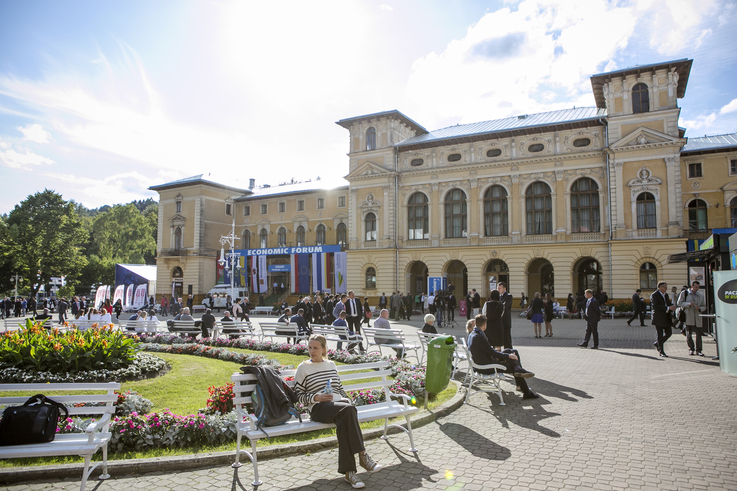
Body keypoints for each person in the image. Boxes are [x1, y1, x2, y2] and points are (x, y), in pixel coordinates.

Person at [294, 334, 382, 489]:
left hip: (338, 406)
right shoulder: (303, 368)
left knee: (344, 421)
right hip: (318, 408)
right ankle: (362, 454)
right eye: (310, 347)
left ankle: (349, 473)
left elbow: (339, 388)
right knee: (348, 411)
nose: (312, 351)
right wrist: (317, 397)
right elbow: (298, 396)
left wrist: (345, 398)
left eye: (315, 348)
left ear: (323, 349)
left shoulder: (331, 365)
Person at [467, 315, 538, 400]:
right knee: (512, 362)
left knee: (511, 351)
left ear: (475, 323)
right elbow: (493, 353)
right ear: (485, 324)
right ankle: (525, 389)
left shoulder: (473, 334)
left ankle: (518, 370)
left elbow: (489, 351)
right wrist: (508, 356)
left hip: (483, 361)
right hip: (487, 367)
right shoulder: (479, 337)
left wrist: (507, 355)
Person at [680, 281, 706, 356]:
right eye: (695, 287)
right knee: (689, 334)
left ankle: (699, 350)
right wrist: (688, 304)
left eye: (698, 287)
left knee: (699, 334)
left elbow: (704, 306)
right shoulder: (685, 294)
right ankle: (691, 349)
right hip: (688, 317)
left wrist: (700, 308)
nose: (697, 289)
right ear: (691, 286)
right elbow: (680, 303)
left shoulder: (700, 296)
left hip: (697, 317)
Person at [651, 281, 676, 357]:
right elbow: (656, 306)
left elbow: (668, 303)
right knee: (660, 335)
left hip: (666, 317)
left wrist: (672, 306)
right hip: (658, 318)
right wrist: (668, 308)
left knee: (669, 333)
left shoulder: (666, 295)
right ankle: (661, 351)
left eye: (666, 287)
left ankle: (658, 343)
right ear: (660, 287)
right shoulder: (654, 295)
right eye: (664, 287)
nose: (666, 289)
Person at [497, 283, 514, 349]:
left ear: (504, 289)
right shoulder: (499, 297)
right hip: (499, 321)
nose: (498, 290)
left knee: (507, 339)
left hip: (505, 321)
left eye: (500, 288)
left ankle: (509, 353)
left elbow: (505, 306)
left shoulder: (508, 296)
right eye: (498, 288)